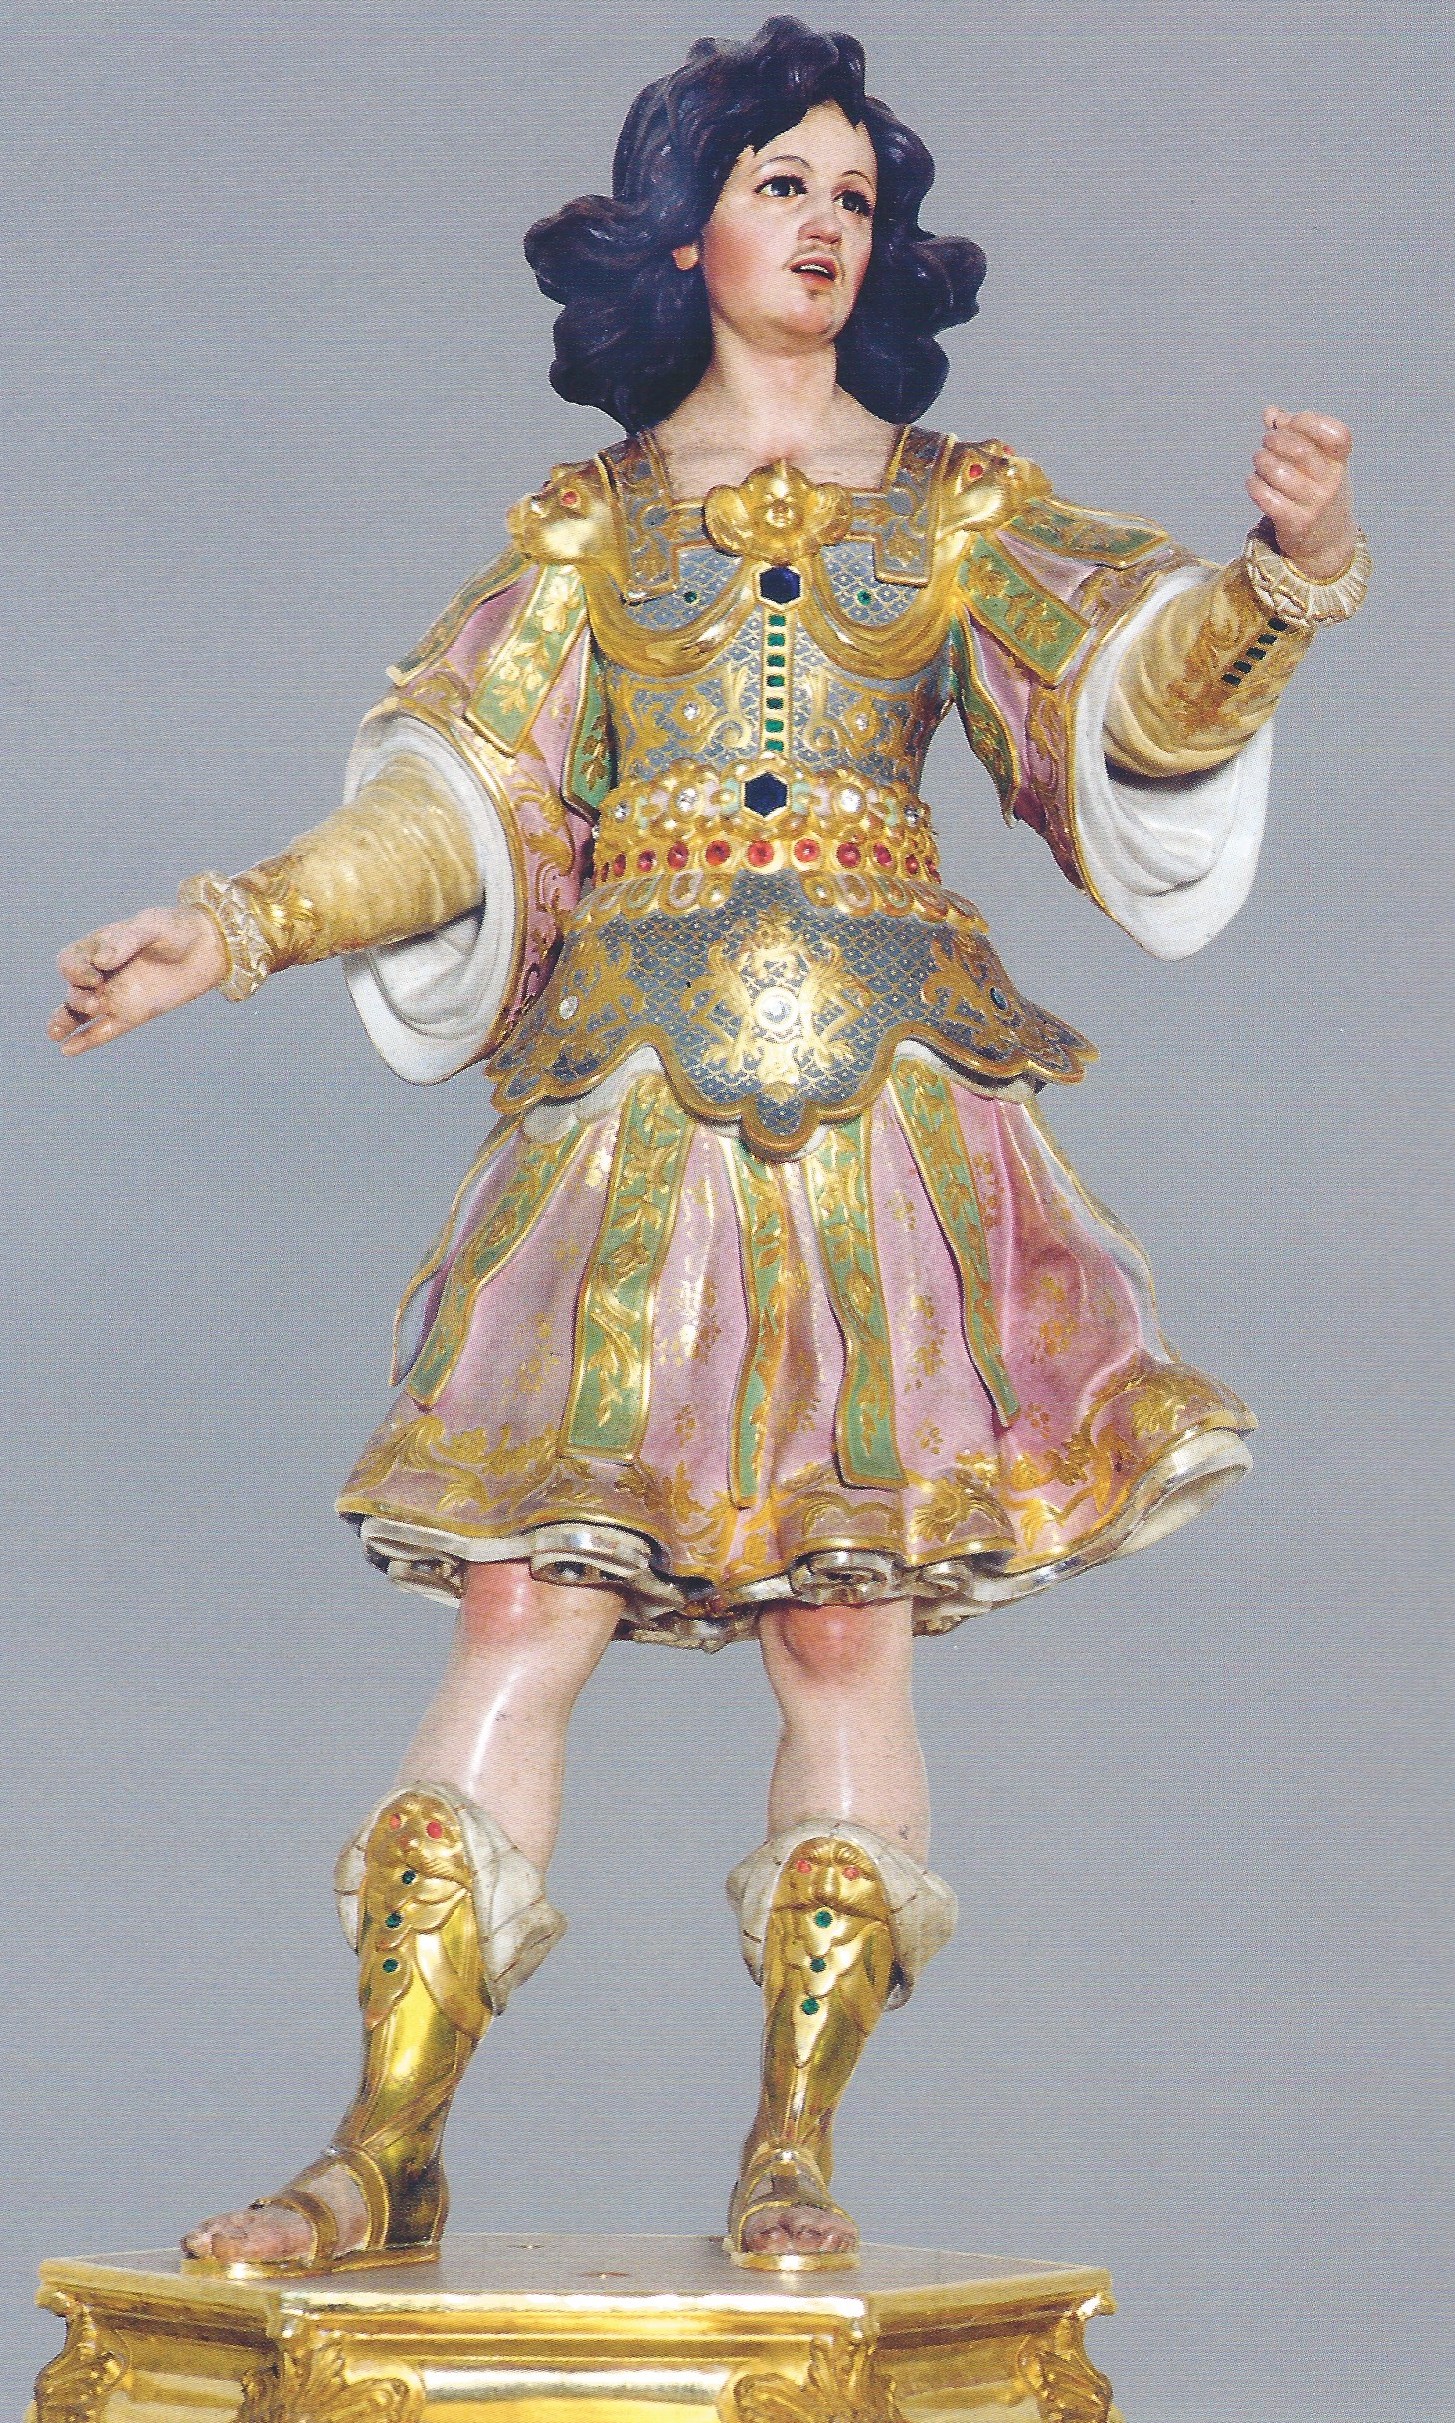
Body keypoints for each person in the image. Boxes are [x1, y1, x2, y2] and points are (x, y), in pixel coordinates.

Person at [49, 17, 1365, 2277]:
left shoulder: (955, 510)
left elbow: (1122, 697)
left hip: (881, 1112)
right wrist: (234, 927)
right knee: (523, 1591)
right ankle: (382, 2138)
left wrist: (1276, 582)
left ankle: (791, 2151)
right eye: (781, 184)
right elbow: (456, 805)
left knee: (846, 1621)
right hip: (632, 1118)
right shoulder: (589, 533)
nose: (824, 222)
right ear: (688, 231)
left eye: (854, 192)